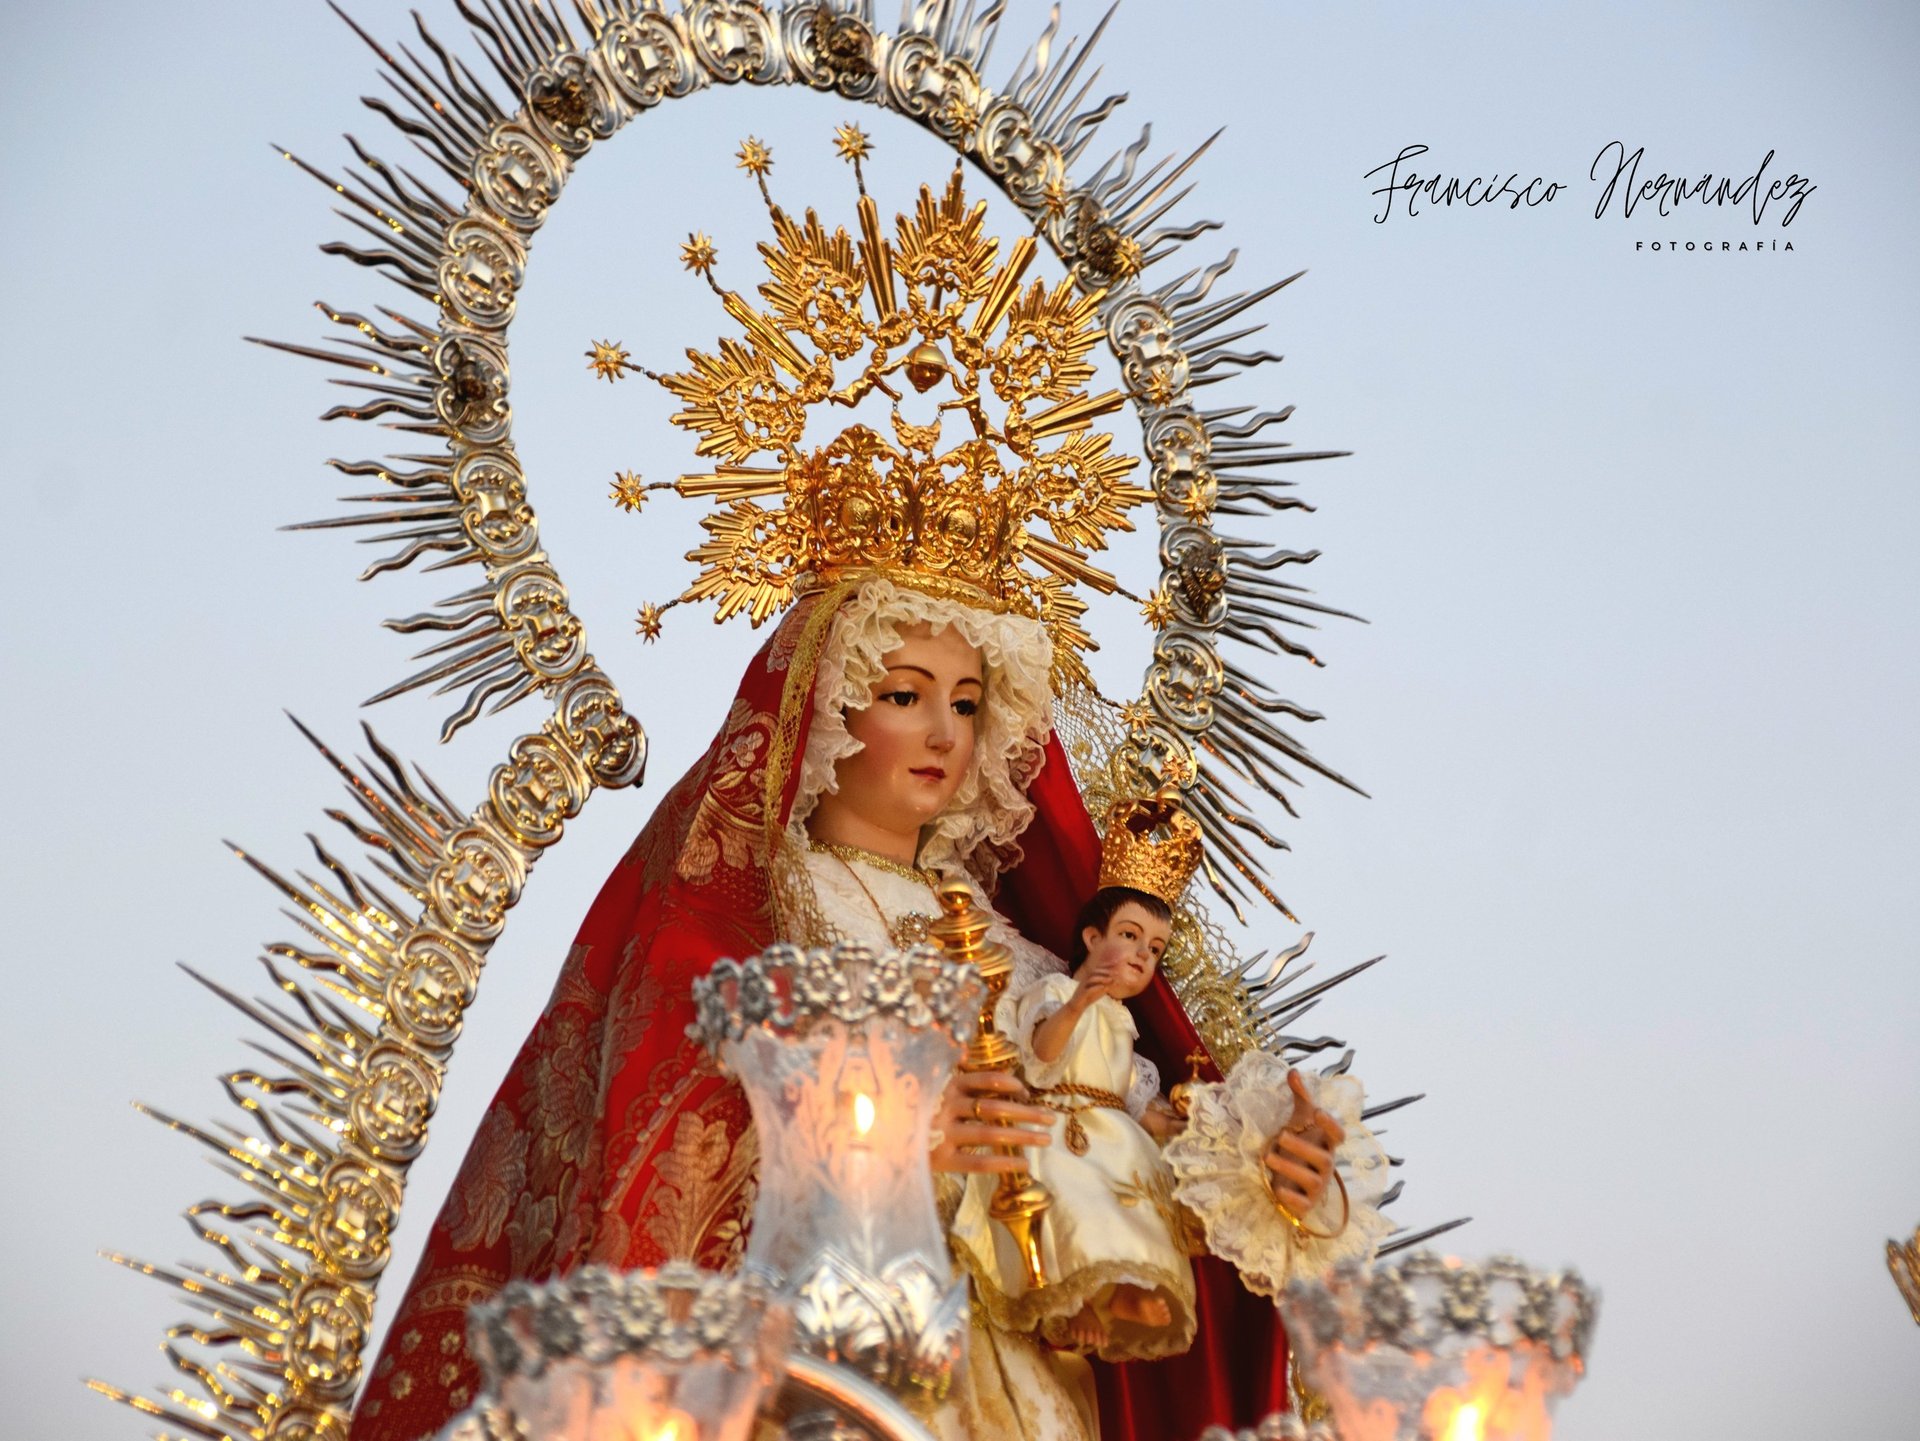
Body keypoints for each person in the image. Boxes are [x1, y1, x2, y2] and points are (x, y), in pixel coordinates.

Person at [348, 575, 1350, 1441]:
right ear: (825, 704)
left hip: (1031, 1385)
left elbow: (1105, 1155)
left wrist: (1250, 1180)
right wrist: (891, 1149)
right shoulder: (744, 910)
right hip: (827, 1366)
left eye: (967, 703)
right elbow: (669, 1138)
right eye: (904, 694)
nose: (941, 733)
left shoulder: (1025, 948)